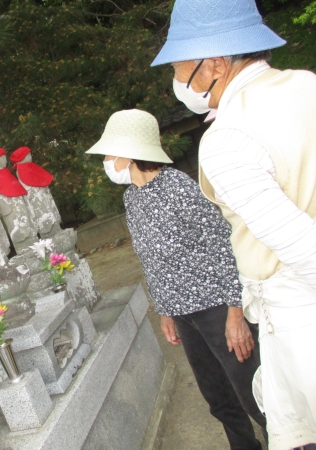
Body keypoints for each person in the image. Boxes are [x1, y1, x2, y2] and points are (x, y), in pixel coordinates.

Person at [151, 1, 316, 448]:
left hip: (299, 310)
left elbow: (300, 245)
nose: (177, 81)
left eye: (179, 68)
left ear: (215, 64)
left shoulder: (227, 138)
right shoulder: (305, 84)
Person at [86, 109, 266, 450]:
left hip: (217, 309)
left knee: (254, 394)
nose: (106, 162)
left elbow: (224, 247)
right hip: (183, 315)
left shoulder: (179, 188)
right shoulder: (132, 198)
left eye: (108, 154)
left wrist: (236, 313)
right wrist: (165, 310)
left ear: (128, 152)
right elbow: (151, 261)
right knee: (219, 399)